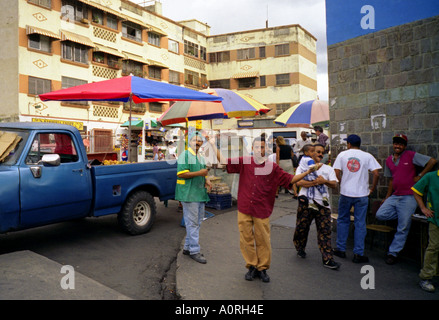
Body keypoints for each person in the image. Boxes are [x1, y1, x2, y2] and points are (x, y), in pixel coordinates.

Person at [207, 134, 321, 282]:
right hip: (244, 207)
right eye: (256, 147)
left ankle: (263, 268)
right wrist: (211, 143)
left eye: (261, 147)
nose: (259, 150)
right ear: (252, 149)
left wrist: (307, 173)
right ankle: (252, 266)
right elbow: (223, 161)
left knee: (263, 240)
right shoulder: (245, 162)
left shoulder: (272, 167)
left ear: (266, 149)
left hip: (261, 209)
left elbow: (290, 180)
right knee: (246, 239)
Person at [376, 134, 437, 265]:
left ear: (404, 146)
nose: (398, 146)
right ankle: (403, 215)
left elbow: (432, 161)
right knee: (380, 214)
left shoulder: (410, 155)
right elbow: (391, 180)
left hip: (409, 196)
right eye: (396, 143)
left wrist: (420, 175)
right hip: (395, 196)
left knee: (402, 227)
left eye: (401, 144)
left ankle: (393, 253)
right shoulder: (388, 160)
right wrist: (387, 197)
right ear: (393, 145)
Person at [333, 134, 381, 263]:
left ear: (348, 144)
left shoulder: (342, 155)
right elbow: (376, 173)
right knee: (360, 223)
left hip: (346, 193)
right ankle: (358, 254)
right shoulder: (367, 156)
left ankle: (341, 249)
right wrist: (372, 188)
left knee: (343, 220)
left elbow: (336, 173)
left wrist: (341, 183)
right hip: (362, 195)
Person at [293, 144, 340, 270]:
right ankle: (300, 247)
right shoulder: (303, 166)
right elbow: (298, 182)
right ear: (311, 153)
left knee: (325, 232)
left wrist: (324, 181)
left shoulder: (328, 169)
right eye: (317, 152)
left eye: (322, 152)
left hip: (323, 206)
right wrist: (314, 182)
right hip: (306, 202)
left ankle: (327, 259)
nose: (320, 154)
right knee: (302, 228)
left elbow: (334, 184)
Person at [175, 131, 212, 264]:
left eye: (200, 140)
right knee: (193, 223)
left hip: (199, 193)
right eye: (194, 140)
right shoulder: (185, 155)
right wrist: (200, 173)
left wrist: (206, 180)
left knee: (197, 221)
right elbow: (181, 174)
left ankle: (187, 247)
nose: (197, 142)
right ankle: (194, 251)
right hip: (189, 194)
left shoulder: (200, 156)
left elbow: (203, 172)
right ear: (189, 142)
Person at [411, 169, 439, 292]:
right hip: (436, 219)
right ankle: (426, 277)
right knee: (434, 247)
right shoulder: (431, 176)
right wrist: (423, 208)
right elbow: (416, 191)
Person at [297, 144, 329, 209]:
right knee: (320, 185)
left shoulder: (302, 159)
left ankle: (311, 202)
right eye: (313, 151)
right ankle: (324, 195)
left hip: (305, 176)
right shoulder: (310, 160)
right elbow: (312, 167)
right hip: (311, 175)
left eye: (322, 153)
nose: (314, 153)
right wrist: (318, 165)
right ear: (306, 152)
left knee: (310, 189)